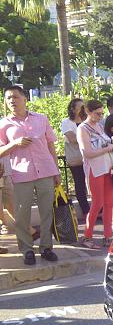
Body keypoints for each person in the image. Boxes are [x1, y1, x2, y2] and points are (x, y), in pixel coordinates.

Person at [0, 86, 60, 265]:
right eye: (8, 98)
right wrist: (15, 144)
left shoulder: (41, 119)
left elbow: (51, 146)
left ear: (25, 98)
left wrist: (56, 171)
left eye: (16, 97)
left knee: (46, 211)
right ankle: (26, 249)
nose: (12, 100)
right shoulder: (4, 124)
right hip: (21, 174)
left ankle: (47, 247)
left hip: (45, 171)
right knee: (21, 214)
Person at [76, 100, 113, 249]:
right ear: (88, 112)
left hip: (107, 168)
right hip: (95, 169)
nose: (100, 116)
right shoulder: (82, 128)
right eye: (97, 113)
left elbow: (104, 145)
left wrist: (111, 148)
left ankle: (107, 236)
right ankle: (87, 236)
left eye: (101, 113)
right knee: (97, 203)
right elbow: (87, 153)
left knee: (109, 203)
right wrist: (107, 148)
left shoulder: (98, 126)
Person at [61, 98, 91, 220]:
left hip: (90, 157)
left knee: (93, 183)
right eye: (80, 107)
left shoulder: (87, 121)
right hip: (77, 158)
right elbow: (72, 139)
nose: (83, 109)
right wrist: (86, 140)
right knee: (79, 183)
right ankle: (86, 211)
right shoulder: (66, 122)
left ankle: (97, 210)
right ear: (73, 109)